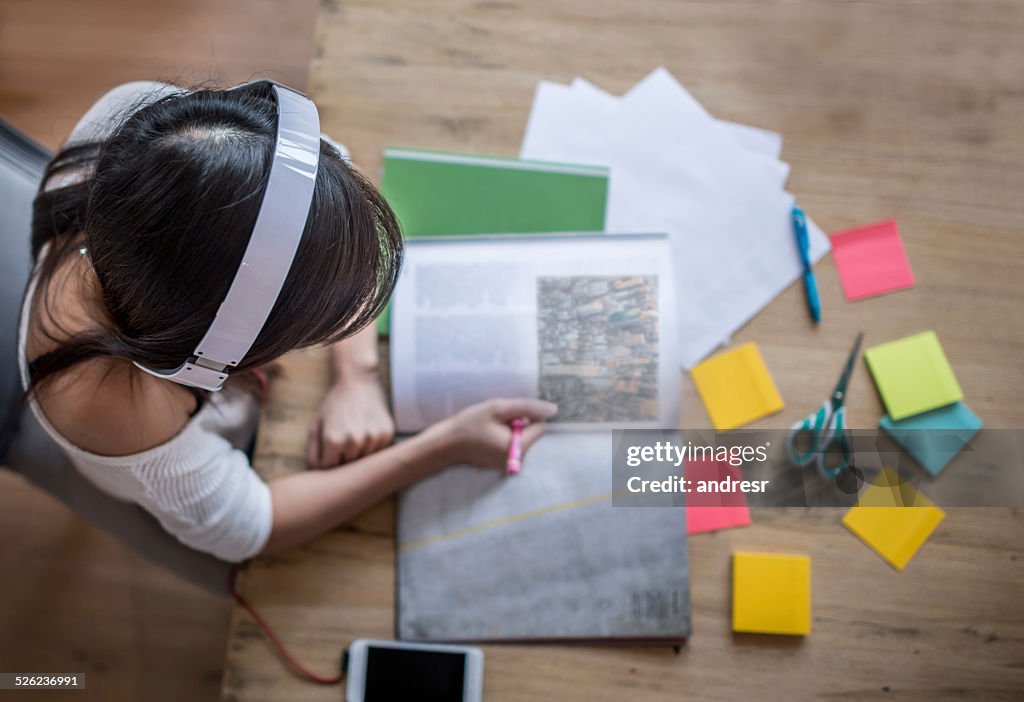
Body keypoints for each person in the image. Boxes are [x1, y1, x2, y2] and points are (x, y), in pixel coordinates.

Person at [21, 80, 556, 564]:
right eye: (318, 326)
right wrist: (445, 445)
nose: (346, 321)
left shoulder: (162, 133)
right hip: (196, 443)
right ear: (230, 350)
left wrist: (358, 375)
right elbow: (253, 526)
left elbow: (327, 179)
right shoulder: (112, 411)